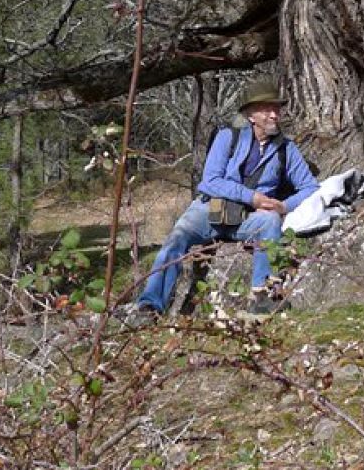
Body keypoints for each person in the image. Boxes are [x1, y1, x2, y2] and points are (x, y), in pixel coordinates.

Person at [132, 78, 318, 318]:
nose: (274, 115)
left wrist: (283, 206)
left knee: (271, 221)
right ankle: (150, 307)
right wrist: (253, 197)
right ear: (251, 114)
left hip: (248, 219)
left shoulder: (286, 148)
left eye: (277, 109)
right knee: (175, 241)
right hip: (208, 210)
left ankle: (262, 297)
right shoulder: (227, 137)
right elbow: (210, 181)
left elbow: (310, 188)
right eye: (267, 109)